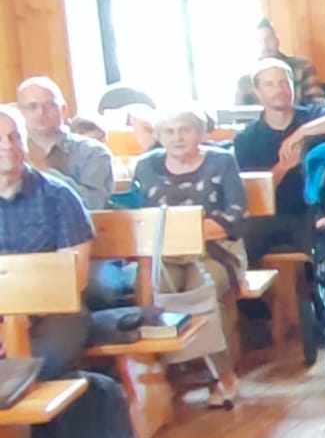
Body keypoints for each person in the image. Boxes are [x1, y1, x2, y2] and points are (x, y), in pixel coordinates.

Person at [133, 103, 248, 406]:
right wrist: (178, 233)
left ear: (200, 133)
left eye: (185, 130)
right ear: (159, 136)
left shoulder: (221, 162)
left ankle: (222, 375)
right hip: (164, 254)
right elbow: (140, 217)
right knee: (158, 288)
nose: (177, 137)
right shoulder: (145, 166)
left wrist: (184, 231)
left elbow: (234, 215)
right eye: (169, 132)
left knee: (202, 289)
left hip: (216, 250)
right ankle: (166, 374)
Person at [232, 54, 325, 256]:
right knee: (242, 245)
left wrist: (302, 132)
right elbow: (252, 196)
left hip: (312, 213)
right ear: (258, 92)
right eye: (270, 84)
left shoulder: (312, 117)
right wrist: (284, 166)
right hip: (269, 218)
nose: (279, 90)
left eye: (284, 82)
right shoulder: (246, 138)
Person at [0, 102, 92, 376]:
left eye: (14, 137)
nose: (7, 146)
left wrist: (19, 320)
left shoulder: (58, 196)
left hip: (54, 312)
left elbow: (75, 278)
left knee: (27, 372)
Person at [15, 76, 113, 210]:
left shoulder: (93, 152)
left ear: (64, 110)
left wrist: (41, 170)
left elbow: (94, 204)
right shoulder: (7, 152)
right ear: (18, 112)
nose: (41, 112)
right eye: (32, 106)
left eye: (49, 105)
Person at [233, 18, 322, 107]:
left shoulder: (302, 67)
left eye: (269, 39)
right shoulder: (244, 81)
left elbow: (319, 105)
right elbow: (238, 113)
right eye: (259, 42)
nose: (265, 46)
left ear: (277, 41)